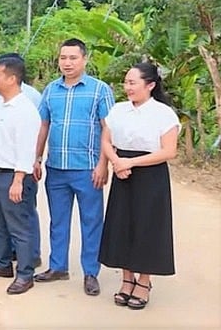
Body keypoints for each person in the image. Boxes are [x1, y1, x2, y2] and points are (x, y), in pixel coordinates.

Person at [34, 38, 114, 297]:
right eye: (63, 58)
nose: (67, 63)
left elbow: (108, 129)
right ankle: (58, 267)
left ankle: (91, 272)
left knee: (91, 222)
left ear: (84, 59)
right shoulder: (51, 90)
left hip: (88, 169)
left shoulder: (99, 90)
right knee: (58, 221)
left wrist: (104, 164)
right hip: (56, 168)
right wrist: (36, 158)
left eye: (73, 58)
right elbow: (43, 126)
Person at [99, 63, 179, 310]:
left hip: (150, 175)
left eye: (133, 83)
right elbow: (106, 139)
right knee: (122, 224)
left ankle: (144, 281)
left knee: (147, 226)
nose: (127, 87)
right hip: (123, 172)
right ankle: (126, 278)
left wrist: (129, 162)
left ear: (151, 85)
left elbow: (169, 151)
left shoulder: (163, 114)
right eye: (126, 82)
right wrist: (115, 162)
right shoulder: (118, 109)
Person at [0, 55, 41, 295]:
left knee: (19, 227)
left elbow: (26, 149)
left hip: (13, 177)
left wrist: (19, 180)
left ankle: (25, 273)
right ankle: (1, 264)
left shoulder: (25, 110)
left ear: (12, 78)